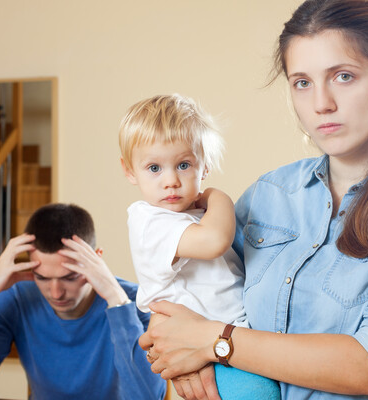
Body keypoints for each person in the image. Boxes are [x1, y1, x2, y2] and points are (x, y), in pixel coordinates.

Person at [138, 1, 368, 399]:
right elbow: (193, 292)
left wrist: (216, 342)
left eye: (343, 76)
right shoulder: (270, 192)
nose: (322, 103)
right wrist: (171, 343)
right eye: (302, 82)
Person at [119, 94, 281, 399]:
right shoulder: (147, 220)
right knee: (262, 394)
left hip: (230, 339)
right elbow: (214, 241)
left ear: (203, 165)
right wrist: (218, 196)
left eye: (183, 165)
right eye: (154, 168)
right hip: (206, 353)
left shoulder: (195, 216)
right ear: (129, 170)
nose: (171, 180)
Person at [0, 203, 166, 400]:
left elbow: (148, 397)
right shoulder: (17, 298)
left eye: (70, 277)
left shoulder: (138, 302)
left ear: (96, 259)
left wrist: (117, 301)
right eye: (42, 278)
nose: (56, 293)